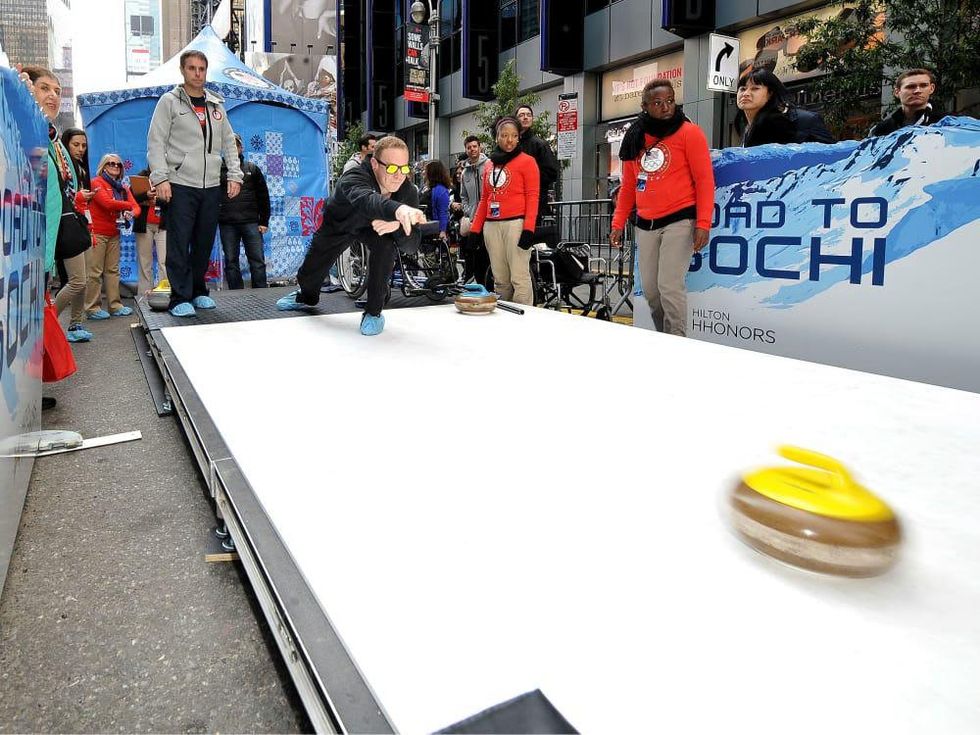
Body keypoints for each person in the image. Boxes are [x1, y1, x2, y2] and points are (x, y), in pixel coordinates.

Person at [276, 135, 426, 336]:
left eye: (404, 168)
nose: (399, 175)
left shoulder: (407, 191)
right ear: (374, 163)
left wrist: (397, 226)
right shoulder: (353, 177)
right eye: (391, 168)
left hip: (371, 228)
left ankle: (374, 312)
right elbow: (367, 200)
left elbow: (412, 246)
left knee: (386, 248)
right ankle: (305, 296)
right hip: (340, 223)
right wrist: (397, 211)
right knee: (313, 267)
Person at [610, 79, 714, 337]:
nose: (666, 107)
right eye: (658, 103)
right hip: (646, 224)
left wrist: (703, 223)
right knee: (651, 290)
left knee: (669, 286)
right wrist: (617, 223)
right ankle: (664, 337)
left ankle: (677, 341)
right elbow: (629, 187)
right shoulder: (635, 138)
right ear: (645, 106)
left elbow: (704, 180)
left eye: (670, 100)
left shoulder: (690, 133)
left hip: (680, 219)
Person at [147, 50, 242, 317]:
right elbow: (156, 142)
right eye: (192, 68)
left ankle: (199, 290)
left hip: (210, 185)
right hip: (179, 183)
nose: (197, 73)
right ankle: (179, 297)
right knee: (179, 241)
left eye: (201, 69)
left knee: (203, 241)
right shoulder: (169, 102)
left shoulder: (216, 106)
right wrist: (161, 178)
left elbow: (228, 144)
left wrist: (234, 175)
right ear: (182, 70)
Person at [21, 67, 93, 377]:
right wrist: (20, 92)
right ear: (29, 91)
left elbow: (63, 190)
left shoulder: (51, 139)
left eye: (57, 91)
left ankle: (31, 383)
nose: (53, 95)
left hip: (46, 240)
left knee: (39, 307)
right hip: (27, 239)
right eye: (44, 89)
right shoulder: (25, 128)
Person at [468, 117, 540, 306]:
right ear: (497, 137)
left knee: (519, 278)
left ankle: (524, 320)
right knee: (500, 279)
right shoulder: (490, 164)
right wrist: (475, 230)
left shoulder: (528, 162)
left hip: (516, 224)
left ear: (519, 138)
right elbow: (485, 199)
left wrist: (529, 229)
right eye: (505, 135)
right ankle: (505, 318)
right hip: (492, 226)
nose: (509, 140)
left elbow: (533, 196)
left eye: (514, 136)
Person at [84, 153, 140, 320]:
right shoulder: (96, 182)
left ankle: (115, 305)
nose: (115, 166)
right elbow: (107, 203)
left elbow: (137, 209)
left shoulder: (122, 187)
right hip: (97, 233)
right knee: (95, 272)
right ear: (103, 165)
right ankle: (92, 308)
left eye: (118, 164)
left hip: (114, 233)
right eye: (111, 163)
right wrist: (129, 206)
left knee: (112, 271)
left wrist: (131, 210)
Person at [219, 134, 271, 289]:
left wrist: (263, 221)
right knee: (230, 261)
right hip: (227, 224)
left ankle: (261, 293)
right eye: (229, 146)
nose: (233, 149)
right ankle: (236, 295)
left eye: (236, 145)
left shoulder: (252, 169)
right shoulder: (217, 171)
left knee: (257, 260)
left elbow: (263, 196)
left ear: (241, 148)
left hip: (251, 222)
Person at [736, 68, 834, 147]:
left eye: (755, 88)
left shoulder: (805, 120)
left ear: (770, 93)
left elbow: (832, 158)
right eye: (742, 89)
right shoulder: (746, 129)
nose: (746, 94)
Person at [60, 127, 94, 342]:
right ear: (65, 144)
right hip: (66, 226)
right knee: (77, 281)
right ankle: (47, 325)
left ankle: (75, 325)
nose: (81, 149)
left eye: (83, 145)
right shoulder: (62, 167)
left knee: (83, 279)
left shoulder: (81, 168)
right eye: (76, 145)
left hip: (80, 226)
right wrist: (78, 197)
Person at [456, 135, 492, 287]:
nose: (472, 150)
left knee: (488, 253)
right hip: (473, 219)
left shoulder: (490, 165)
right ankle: (475, 282)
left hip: (490, 218)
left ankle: (488, 283)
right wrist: (468, 210)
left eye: (474, 146)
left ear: (480, 147)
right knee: (472, 252)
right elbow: (463, 195)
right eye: (469, 147)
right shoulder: (465, 172)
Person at [514, 104, 559, 225]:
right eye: (521, 115)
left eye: (528, 115)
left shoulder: (539, 144)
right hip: (514, 202)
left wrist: (529, 180)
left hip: (534, 201)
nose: (525, 118)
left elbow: (551, 172)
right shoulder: (511, 145)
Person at [869, 69, 945, 137]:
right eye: (911, 87)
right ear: (897, 92)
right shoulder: (881, 129)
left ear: (931, 88)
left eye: (923, 85)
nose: (917, 91)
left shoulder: (946, 123)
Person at [133, 166, 168, 296]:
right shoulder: (141, 177)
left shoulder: (171, 177)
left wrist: (158, 200)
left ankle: (165, 293)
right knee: (144, 261)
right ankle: (143, 295)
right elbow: (131, 198)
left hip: (163, 225)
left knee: (164, 261)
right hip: (144, 224)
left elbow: (177, 201)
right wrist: (145, 195)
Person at [424, 160, 453, 241]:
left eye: (426, 171)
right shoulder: (426, 188)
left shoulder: (441, 191)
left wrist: (442, 231)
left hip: (434, 228)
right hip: (426, 225)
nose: (424, 173)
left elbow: (443, 212)